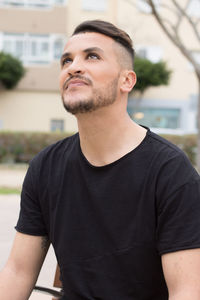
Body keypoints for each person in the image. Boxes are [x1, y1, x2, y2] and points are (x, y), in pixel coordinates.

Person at [0, 19, 200, 300]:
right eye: (66, 60)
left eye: (92, 56)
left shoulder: (171, 172)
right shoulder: (45, 167)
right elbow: (18, 272)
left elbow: (186, 292)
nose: (73, 67)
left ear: (126, 80)